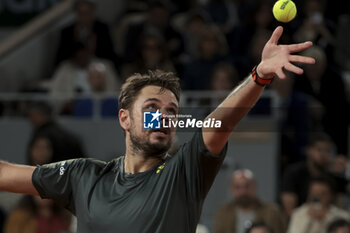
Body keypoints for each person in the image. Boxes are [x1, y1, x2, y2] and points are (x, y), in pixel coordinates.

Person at [0, 26, 315, 233]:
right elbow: (5, 175)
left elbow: (221, 122)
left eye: (172, 112)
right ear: (125, 118)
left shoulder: (185, 171)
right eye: (151, 109)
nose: (163, 117)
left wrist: (259, 75)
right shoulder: (83, 176)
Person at [281, 133, 348, 218]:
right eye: (319, 150)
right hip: (301, 217)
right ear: (308, 151)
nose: (323, 154)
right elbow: (289, 210)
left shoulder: (332, 174)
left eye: (328, 151)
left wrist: (346, 171)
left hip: (328, 219)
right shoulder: (294, 172)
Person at [213, 169, 285, 233]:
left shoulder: (271, 212)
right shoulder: (224, 213)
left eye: (247, 186)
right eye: (237, 187)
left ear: (254, 186)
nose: (243, 191)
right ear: (231, 189)